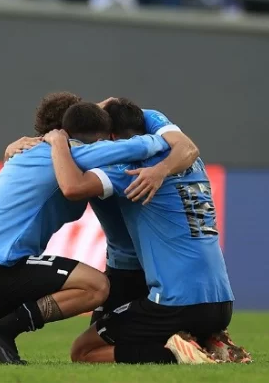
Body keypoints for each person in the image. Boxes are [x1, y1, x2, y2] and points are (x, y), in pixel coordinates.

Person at [0, 94, 172, 364]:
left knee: (45, 281)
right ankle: (0, 331)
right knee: (95, 287)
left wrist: (94, 112)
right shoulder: (74, 153)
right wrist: (166, 134)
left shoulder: (27, 152)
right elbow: (139, 147)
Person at [43, 99, 250, 364]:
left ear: (113, 138)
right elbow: (175, 138)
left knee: (83, 352)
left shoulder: (130, 169)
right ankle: (207, 338)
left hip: (176, 302)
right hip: (222, 302)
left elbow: (72, 187)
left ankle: (185, 355)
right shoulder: (188, 160)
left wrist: (57, 142)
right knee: (128, 331)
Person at [4, 98, 200, 327]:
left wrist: (160, 171)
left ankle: (190, 341)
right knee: (93, 344)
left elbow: (188, 148)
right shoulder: (90, 151)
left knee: (88, 350)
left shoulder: (113, 151)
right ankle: (195, 337)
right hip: (125, 265)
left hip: (149, 264)